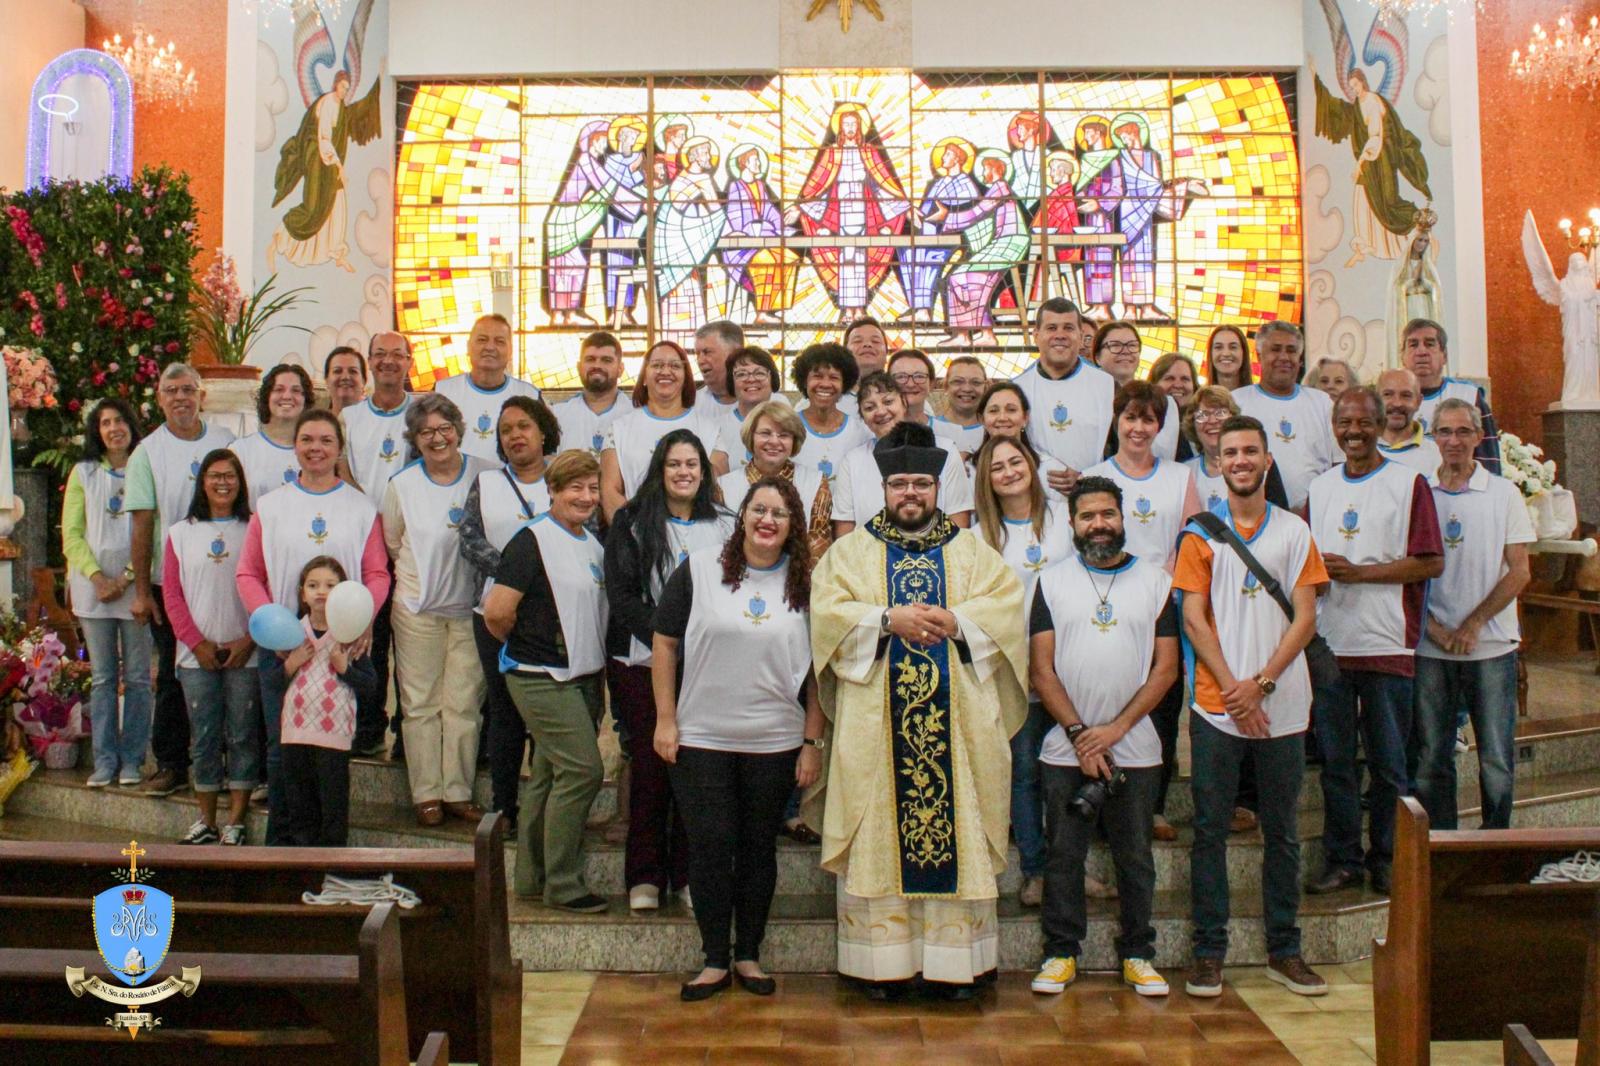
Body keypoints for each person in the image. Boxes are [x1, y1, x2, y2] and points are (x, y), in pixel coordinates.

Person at [810, 422, 1029, 999]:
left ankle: (956, 967)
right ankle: (881, 966)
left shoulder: (971, 552)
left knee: (958, 824)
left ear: (938, 490)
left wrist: (958, 622)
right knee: (880, 828)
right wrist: (887, 620)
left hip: (956, 728)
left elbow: (1006, 608)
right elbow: (826, 616)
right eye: (900, 484)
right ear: (884, 490)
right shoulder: (850, 553)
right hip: (876, 728)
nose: (911, 494)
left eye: (922, 485)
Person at [1173, 414, 1329, 999]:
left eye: (1250, 452)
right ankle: (1208, 952)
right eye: (1229, 452)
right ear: (1217, 463)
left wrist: (1260, 685)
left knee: (1282, 832)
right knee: (1210, 830)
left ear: (1267, 461)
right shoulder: (1200, 534)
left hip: (1282, 703)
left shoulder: (1293, 531)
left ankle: (1283, 949)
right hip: (1217, 706)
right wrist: (1234, 690)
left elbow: (1307, 617)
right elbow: (1193, 617)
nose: (1239, 461)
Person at [653, 478, 825, 1000]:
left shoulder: (808, 584)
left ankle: (748, 954)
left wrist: (811, 742)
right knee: (709, 848)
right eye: (759, 509)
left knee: (756, 851)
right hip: (701, 736)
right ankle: (712, 960)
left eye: (780, 513)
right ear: (743, 516)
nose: (767, 520)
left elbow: (821, 670)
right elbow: (664, 645)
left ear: (793, 525)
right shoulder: (700, 570)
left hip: (774, 740)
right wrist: (666, 718)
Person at [1029, 475, 1179, 997]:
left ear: (1122, 518)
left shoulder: (1155, 582)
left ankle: (1139, 952)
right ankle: (1060, 952)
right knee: (1063, 855)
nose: (1099, 524)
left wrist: (1113, 730)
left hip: (1134, 749)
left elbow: (1165, 669)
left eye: (1107, 515)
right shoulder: (1051, 582)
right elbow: (1041, 669)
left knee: (1134, 856)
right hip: (1064, 749)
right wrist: (1079, 735)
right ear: (1072, 524)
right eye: (1088, 516)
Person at [1306, 387, 1443, 897]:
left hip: (1387, 641)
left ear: (1382, 423)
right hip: (1333, 643)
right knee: (1337, 764)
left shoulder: (1408, 484)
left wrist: (1363, 574)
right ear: (1334, 426)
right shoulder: (1320, 490)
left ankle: (1387, 856)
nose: (1354, 431)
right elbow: (1307, 565)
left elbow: (1431, 561)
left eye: (1364, 422)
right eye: (1345, 422)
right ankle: (1343, 859)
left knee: (1389, 764)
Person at [238, 409, 390, 844]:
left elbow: (377, 573)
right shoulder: (271, 505)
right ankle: (281, 852)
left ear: (339, 449)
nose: (316, 448)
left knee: (328, 758)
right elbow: (247, 574)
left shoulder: (361, 508)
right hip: (287, 638)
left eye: (325, 440)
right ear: (295, 445)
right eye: (307, 439)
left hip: (340, 639)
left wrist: (364, 620)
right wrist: (272, 624)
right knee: (281, 751)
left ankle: (326, 853)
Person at [606, 431, 734, 912]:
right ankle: (644, 876)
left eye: (692, 464)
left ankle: (686, 873)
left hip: (706, 667)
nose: (684, 472)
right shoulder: (633, 521)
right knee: (651, 769)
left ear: (705, 472)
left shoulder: (726, 524)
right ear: (659, 470)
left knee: (697, 776)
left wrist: (695, 644)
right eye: (674, 464)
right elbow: (620, 597)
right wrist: (668, 639)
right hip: (641, 662)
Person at [486, 451, 611, 913]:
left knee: (547, 774)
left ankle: (531, 879)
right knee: (583, 770)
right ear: (553, 491)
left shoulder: (591, 543)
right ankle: (564, 882)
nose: (585, 497)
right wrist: (528, 647)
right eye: (574, 488)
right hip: (540, 674)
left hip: (580, 675)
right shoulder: (531, 540)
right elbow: (498, 612)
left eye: (593, 488)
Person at [1084, 381, 1201, 842]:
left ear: (1159, 426)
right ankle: (1101, 800)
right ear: (1117, 421)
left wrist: (1164, 583)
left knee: (1161, 708)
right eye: (1130, 417)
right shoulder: (1096, 475)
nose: (1138, 427)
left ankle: (1151, 807)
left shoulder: (1179, 477)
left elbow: (1191, 538)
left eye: (1147, 419)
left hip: (1162, 605)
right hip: (1107, 602)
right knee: (1106, 701)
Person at [1412, 399, 1533, 830]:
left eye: (1463, 432)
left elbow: (1520, 571)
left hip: (1491, 645)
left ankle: (1494, 842)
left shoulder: (1502, 494)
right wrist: (1435, 628)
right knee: (1431, 755)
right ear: (1433, 437)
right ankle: (1441, 845)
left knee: (1497, 756)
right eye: (1444, 432)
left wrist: (1474, 622)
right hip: (1432, 646)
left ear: (1478, 438)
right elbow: (1409, 571)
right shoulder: (1420, 491)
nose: (1454, 441)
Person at [383, 394, 495, 826]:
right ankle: (426, 794)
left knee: (464, 702)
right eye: (426, 431)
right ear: (414, 438)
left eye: (444, 428)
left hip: (471, 608)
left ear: (458, 430)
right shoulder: (402, 485)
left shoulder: (485, 474)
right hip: (417, 609)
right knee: (420, 703)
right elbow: (394, 541)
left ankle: (458, 792)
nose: (437, 438)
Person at [971, 435, 1073, 908]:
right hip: (1013, 671)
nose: (1009, 472)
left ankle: (1072, 870)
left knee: (1070, 774)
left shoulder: (1064, 520)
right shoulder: (978, 537)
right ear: (985, 481)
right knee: (1025, 773)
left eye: (1016, 462)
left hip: (1070, 665)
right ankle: (1035, 870)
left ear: (1032, 465)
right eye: (997, 467)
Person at [126, 363, 236, 796]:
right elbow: (141, 523)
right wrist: (140, 592)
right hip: (167, 582)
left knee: (228, 667)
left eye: (188, 389)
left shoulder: (224, 441)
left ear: (201, 395)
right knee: (174, 673)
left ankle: (225, 760)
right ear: (159, 398)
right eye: (171, 390)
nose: (181, 398)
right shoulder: (147, 453)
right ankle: (172, 762)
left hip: (223, 574)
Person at [459, 396, 561, 830]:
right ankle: (504, 806)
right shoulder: (488, 483)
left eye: (523, 426)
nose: (515, 435)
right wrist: (517, 577)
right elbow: (469, 537)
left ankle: (546, 806)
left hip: (555, 618)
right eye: (506, 430)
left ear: (542, 432)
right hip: (495, 613)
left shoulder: (564, 478)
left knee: (548, 713)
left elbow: (587, 531)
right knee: (504, 711)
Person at [164, 449, 258, 846]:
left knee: (241, 735)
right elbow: (172, 595)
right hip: (194, 656)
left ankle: (235, 820)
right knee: (202, 735)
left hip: (246, 651)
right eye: (214, 475)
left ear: (241, 482)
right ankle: (206, 819)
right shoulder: (180, 533)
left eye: (231, 475)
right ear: (202, 482)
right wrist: (196, 643)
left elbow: (267, 587)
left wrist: (248, 640)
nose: (223, 482)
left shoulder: (255, 527)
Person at [65, 398, 150, 788]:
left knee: (136, 677)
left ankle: (132, 759)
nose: (113, 428)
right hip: (93, 591)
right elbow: (72, 535)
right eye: (105, 423)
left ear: (131, 425)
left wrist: (128, 576)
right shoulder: (84, 473)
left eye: (120, 420)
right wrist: (99, 578)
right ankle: (104, 760)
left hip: (136, 590)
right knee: (101, 678)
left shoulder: (144, 466)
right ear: (96, 431)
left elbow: (152, 525)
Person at [340, 329, 415, 757]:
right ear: (370, 361)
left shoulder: (422, 411)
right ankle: (368, 727)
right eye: (380, 354)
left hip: (407, 547)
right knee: (368, 643)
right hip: (363, 545)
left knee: (407, 643)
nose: (388, 361)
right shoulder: (350, 417)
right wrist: (371, 528)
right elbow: (344, 470)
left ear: (409, 360)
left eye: (396, 354)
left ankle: (407, 732)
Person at [279, 556, 377, 846]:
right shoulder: (291, 632)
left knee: (332, 807)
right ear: (302, 593)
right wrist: (290, 664)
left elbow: (370, 686)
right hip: (295, 733)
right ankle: (303, 871)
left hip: (334, 735)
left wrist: (345, 668)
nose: (321, 591)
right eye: (313, 585)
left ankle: (332, 870)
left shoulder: (351, 636)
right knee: (300, 807)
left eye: (330, 585)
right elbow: (271, 684)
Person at [832, 372, 974, 537]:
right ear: (863, 418)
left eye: (888, 401)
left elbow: (958, 518)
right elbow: (845, 532)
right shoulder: (852, 461)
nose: (880, 411)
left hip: (934, 556)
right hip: (869, 558)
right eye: (869, 407)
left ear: (904, 403)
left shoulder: (945, 449)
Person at [600, 340, 717, 522]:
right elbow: (609, 491)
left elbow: (714, 492)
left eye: (675, 366)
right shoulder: (619, 429)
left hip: (695, 536)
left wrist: (684, 529)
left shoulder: (710, 429)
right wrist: (635, 532)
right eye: (657, 365)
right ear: (644, 377)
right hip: (636, 534)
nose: (665, 371)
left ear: (685, 376)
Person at [1232, 321, 1339, 510]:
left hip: (1316, 512)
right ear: (1258, 355)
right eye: (1275, 349)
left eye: (1291, 350)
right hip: (1255, 514)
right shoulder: (1237, 402)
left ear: (1299, 358)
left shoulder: (1322, 403)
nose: (1284, 357)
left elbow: (1338, 464)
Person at [1012, 299, 1114, 494]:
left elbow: (1121, 451)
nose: (1060, 335)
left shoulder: (1106, 385)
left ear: (1081, 335)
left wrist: (1086, 477)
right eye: (1051, 328)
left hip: (1093, 495)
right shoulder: (1018, 388)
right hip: (1036, 499)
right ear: (1036, 335)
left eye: (1068, 328)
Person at [717, 401, 832, 561]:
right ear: (751, 436)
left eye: (783, 435)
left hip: (797, 580)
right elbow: (719, 547)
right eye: (765, 433)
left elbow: (818, 552)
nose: (774, 441)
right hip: (737, 579)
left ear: (794, 440)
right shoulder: (722, 487)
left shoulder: (816, 483)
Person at [434, 313, 543, 462]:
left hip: (510, 483)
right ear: (468, 347)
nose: (490, 347)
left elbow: (545, 450)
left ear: (510, 351)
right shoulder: (442, 392)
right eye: (482, 340)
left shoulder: (530, 395)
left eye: (499, 341)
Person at [1403, 318, 1501, 473]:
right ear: (1402, 356)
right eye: (1413, 345)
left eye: (1429, 344)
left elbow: (1488, 460)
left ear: (1445, 356)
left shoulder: (1469, 396)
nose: (1421, 352)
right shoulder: (1389, 401)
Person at [1184, 386, 1291, 516]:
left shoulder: (1261, 465)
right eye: (1203, 415)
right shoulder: (1184, 472)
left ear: (1233, 418)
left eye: (1221, 413)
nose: (1212, 421)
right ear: (1193, 423)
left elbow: (1280, 516)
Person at [1090, 323, 1180, 460]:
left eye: (1132, 345)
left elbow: (1162, 455)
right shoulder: (1086, 399)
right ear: (1097, 357)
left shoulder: (1164, 402)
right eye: (1115, 345)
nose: (1125, 351)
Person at [230, 363, 310, 508]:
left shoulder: (317, 452)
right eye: (279, 389)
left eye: (296, 390)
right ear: (267, 397)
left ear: (306, 400)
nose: (287, 396)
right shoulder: (241, 451)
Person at [792, 342, 869, 484]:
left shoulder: (860, 432)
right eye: (817, 376)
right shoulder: (788, 427)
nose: (825, 384)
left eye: (834, 378)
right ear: (804, 381)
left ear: (844, 384)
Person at [709, 346, 788, 475]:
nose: (751, 379)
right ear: (731, 382)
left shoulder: (789, 423)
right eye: (741, 374)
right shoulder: (718, 427)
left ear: (772, 378)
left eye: (759, 373)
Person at [552, 331, 625, 458]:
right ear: (579, 367)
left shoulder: (635, 413)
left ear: (620, 369)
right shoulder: (556, 415)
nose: (597, 365)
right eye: (590, 359)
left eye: (606, 360)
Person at [1376, 367, 1442, 476]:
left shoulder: (1438, 454)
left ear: (1419, 402)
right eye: (1388, 394)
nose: (1397, 403)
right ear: (1376, 399)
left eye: (1406, 395)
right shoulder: (1361, 448)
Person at [934, 355, 987, 460]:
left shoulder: (993, 429)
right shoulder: (931, 429)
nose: (967, 389)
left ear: (985, 387)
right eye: (958, 381)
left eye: (976, 382)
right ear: (945, 386)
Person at [692, 320, 744, 421]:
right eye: (697, 354)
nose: (700, 361)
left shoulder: (770, 402)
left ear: (735, 353)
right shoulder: (693, 404)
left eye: (707, 352)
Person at [838, 316, 890, 414]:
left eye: (875, 341)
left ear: (886, 354)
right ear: (845, 352)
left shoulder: (904, 397)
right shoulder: (826, 400)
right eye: (857, 341)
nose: (867, 344)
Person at [1203, 325, 1253, 391]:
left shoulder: (1258, 398)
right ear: (1211, 353)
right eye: (1218, 347)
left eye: (1233, 347)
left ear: (1243, 352)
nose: (1226, 353)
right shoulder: (1198, 399)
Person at [323, 345, 368, 415]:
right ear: (326, 381)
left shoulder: (380, 424)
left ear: (364, 381)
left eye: (353, 371)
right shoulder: (316, 424)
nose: (345, 377)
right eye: (337, 371)